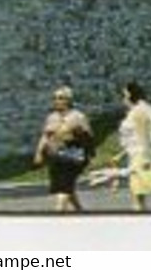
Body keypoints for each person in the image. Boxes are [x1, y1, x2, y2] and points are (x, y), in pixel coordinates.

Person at [34, 85, 94, 213]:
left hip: (73, 155)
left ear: (69, 100)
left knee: (63, 190)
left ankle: (58, 215)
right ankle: (80, 211)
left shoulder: (78, 117)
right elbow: (45, 135)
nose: (57, 101)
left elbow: (89, 138)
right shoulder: (52, 117)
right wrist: (39, 153)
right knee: (65, 188)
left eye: (61, 98)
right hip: (56, 157)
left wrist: (88, 156)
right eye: (55, 98)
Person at [117, 81, 151, 211]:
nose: (123, 99)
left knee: (137, 195)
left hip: (139, 156)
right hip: (136, 154)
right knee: (138, 196)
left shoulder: (139, 111)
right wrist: (122, 154)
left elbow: (144, 135)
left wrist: (146, 158)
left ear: (132, 95)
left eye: (125, 95)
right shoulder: (140, 109)